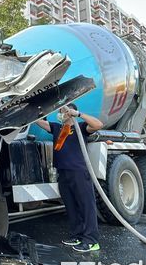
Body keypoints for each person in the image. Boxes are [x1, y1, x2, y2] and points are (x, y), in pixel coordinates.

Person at [35, 103, 103, 252]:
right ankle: (77, 235)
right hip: (63, 173)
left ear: (70, 112)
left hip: (78, 172)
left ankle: (91, 240)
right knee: (71, 206)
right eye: (60, 111)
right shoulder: (57, 128)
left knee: (86, 205)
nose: (60, 114)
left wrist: (77, 114)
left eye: (62, 111)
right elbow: (40, 123)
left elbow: (98, 125)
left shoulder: (81, 128)